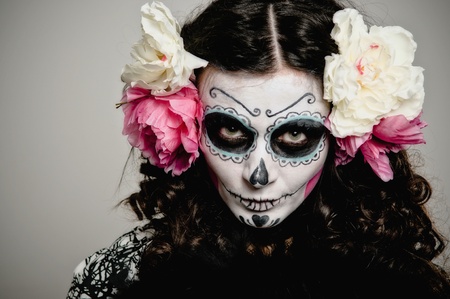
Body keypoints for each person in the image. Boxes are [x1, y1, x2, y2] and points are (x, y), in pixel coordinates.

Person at [67, 0, 450, 297]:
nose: (258, 174)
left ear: (346, 136)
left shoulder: (398, 279)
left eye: (296, 136)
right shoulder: (122, 277)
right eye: (231, 129)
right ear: (187, 123)